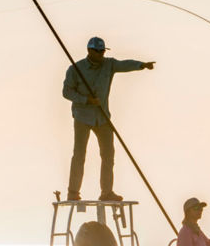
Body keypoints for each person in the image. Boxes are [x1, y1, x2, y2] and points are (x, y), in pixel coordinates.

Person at [63, 36, 155, 201]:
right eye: (97, 51)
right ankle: (73, 192)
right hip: (82, 116)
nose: (100, 55)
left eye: (102, 51)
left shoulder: (108, 64)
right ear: (89, 50)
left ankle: (106, 192)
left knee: (108, 155)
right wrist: (86, 100)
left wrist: (141, 65)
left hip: (103, 116)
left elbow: (123, 64)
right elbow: (66, 92)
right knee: (79, 154)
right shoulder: (75, 69)